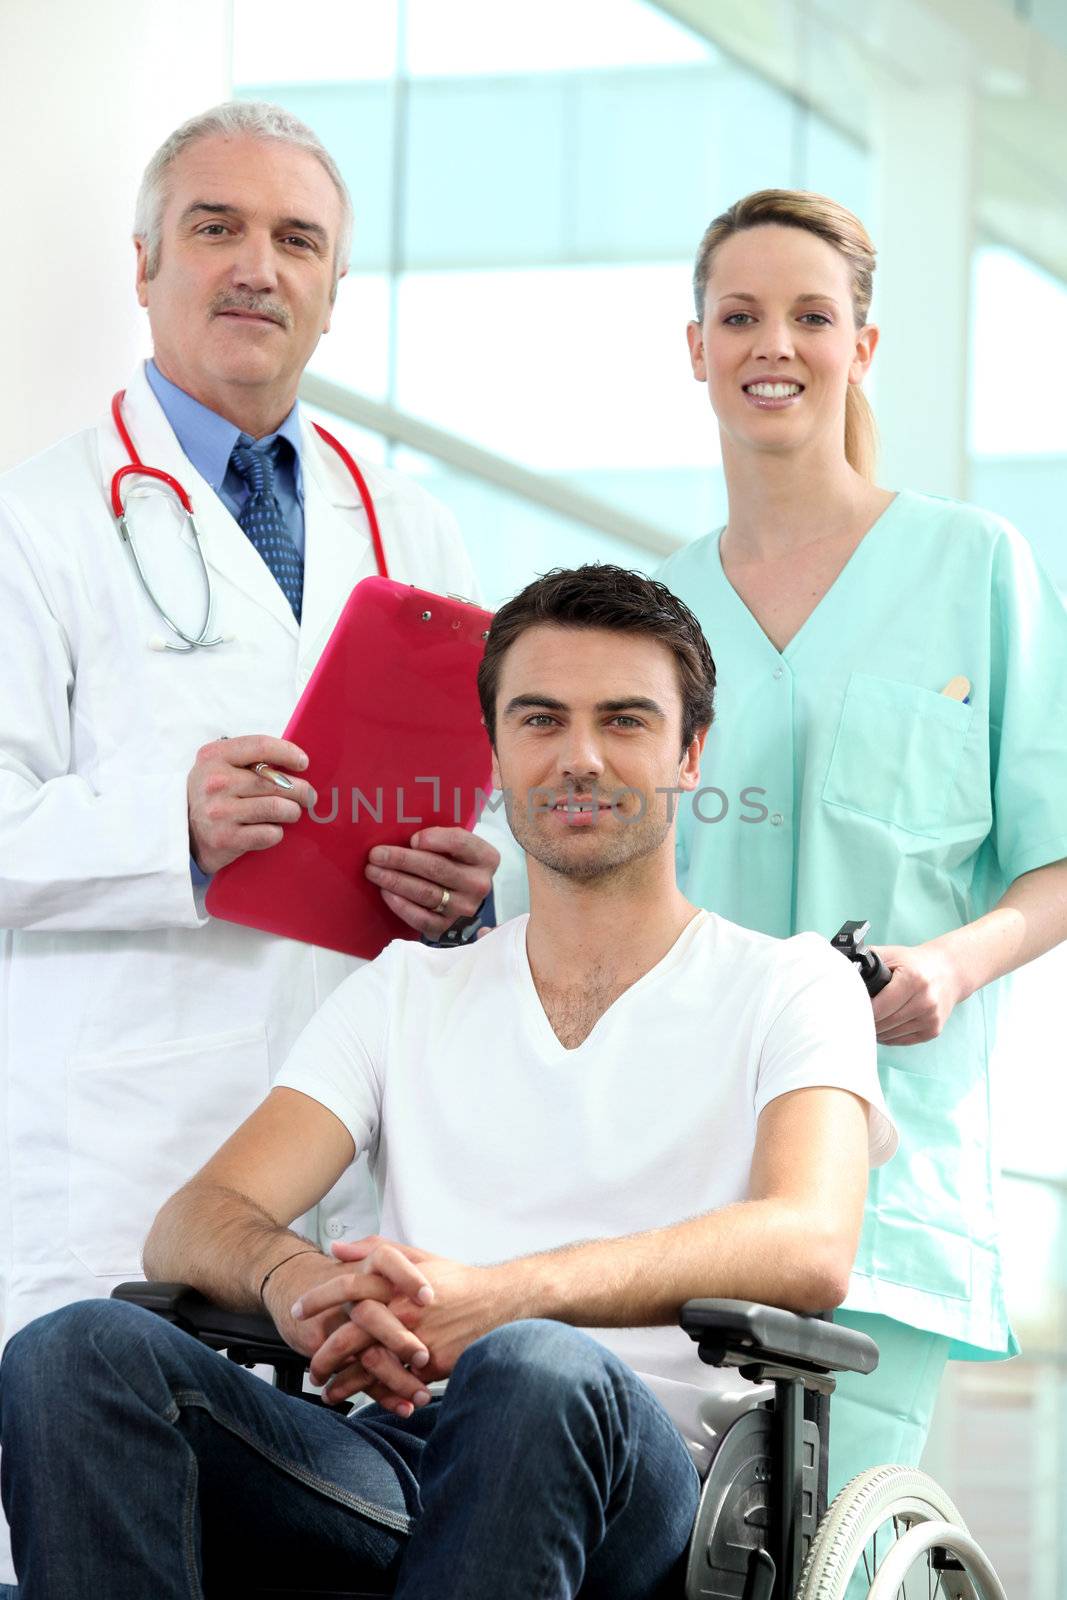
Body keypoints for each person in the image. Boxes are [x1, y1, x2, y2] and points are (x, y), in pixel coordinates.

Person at [0, 564, 896, 1599]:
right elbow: (198, 1217)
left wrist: (505, 1298)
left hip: (647, 1487)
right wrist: (299, 1287)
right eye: (540, 719)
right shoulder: (406, 990)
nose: (580, 757)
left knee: (529, 1368)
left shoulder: (790, 986)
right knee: (76, 1353)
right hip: (395, 1462)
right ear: (496, 752)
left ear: (688, 753)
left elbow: (809, 1239)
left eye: (624, 721)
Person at [0, 100, 501, 1587]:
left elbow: (486, 813)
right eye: (215, 227)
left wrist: (470, 895)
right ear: (145, 262)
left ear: (335, 290)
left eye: (298, 241)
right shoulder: (35, 520)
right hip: (114, 1154)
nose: (255, 267)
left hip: (349, 1178)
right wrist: (173, 825)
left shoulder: (410, 522)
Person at [655, 188, 1067, 1508]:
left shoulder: (971, 565)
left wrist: (946, 967)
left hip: (890, 1197)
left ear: (860, 347)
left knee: (814, 1542)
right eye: (739, 315)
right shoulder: (654, 615)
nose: (773, 343)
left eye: (809, 315)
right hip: (676, 1175)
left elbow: (1050, 857)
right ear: (695, 347)